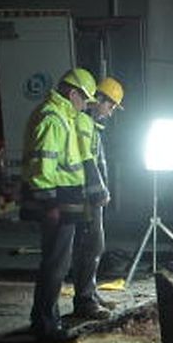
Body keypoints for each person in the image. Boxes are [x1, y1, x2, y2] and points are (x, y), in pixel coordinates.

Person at [19, 67, 97, 343]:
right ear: (72, 93)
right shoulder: (53, 118)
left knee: (55, 262)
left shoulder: (61, 115)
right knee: (55, 264)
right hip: (57, 203)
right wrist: (50, 203)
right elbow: (43, 167)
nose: (86, 105)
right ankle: (45, 324)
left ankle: (44, 318)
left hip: (64, 201)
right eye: (85, 99)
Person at [71, 76, 124, 320]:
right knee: (90, 247)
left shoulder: (91, 125)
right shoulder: (83, 122)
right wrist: (99, 191)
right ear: (98, 99)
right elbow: (86, 160)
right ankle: (85, 301)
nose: (111, 112)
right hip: (85, 198)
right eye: (110, 105)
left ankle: (89, 294)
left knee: (93, 247)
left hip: (87, 197)